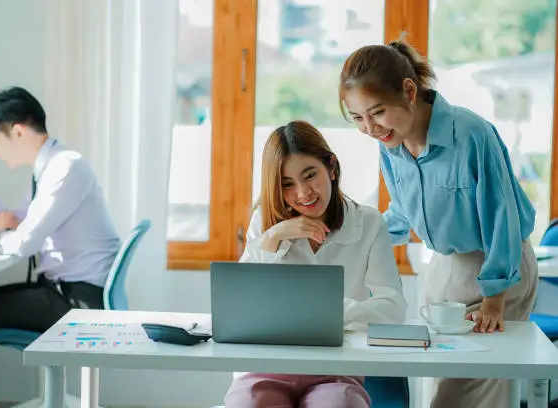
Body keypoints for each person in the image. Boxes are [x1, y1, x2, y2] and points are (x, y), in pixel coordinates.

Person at [338, 40, 538, 408]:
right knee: (444, 389)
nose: (369, 128)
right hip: (444, 272)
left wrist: (494, 299)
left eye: (377, 112)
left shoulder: (472, 134)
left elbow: (502, 219)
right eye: (358, 118)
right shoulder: (391, 144)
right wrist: (354, 240)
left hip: (497, 272)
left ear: (409, 91)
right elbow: (402, 213)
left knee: (463, 398)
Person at [0, 86, 121, 403]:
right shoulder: (52, 169)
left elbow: (20, 244)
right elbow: (6, 221)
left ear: (17, 132)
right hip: (63, 293)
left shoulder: (65, 169)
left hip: (76, 304)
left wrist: (8, 233)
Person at [223, 120, 407, 408]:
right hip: (266, 368)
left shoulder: (368, 223)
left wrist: (334, 313)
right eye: (287, 185)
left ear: (331, 168)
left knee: (338, 404)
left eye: (310, 176)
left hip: (333, 371)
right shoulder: (263, 223)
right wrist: (274, 237)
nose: (303, 193)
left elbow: (393, 308)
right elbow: (241, 308)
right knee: (251, 403)